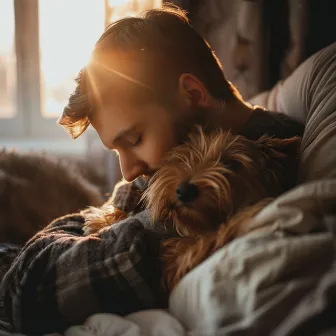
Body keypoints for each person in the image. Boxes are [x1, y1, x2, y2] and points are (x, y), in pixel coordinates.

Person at [0, 4, 309, 335]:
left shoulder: (251, 169)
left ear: (192, 93)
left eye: (134, 138)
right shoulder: (175, 159)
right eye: (117, 150)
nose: (129, 171)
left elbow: (25, 290)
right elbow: (108, 215)